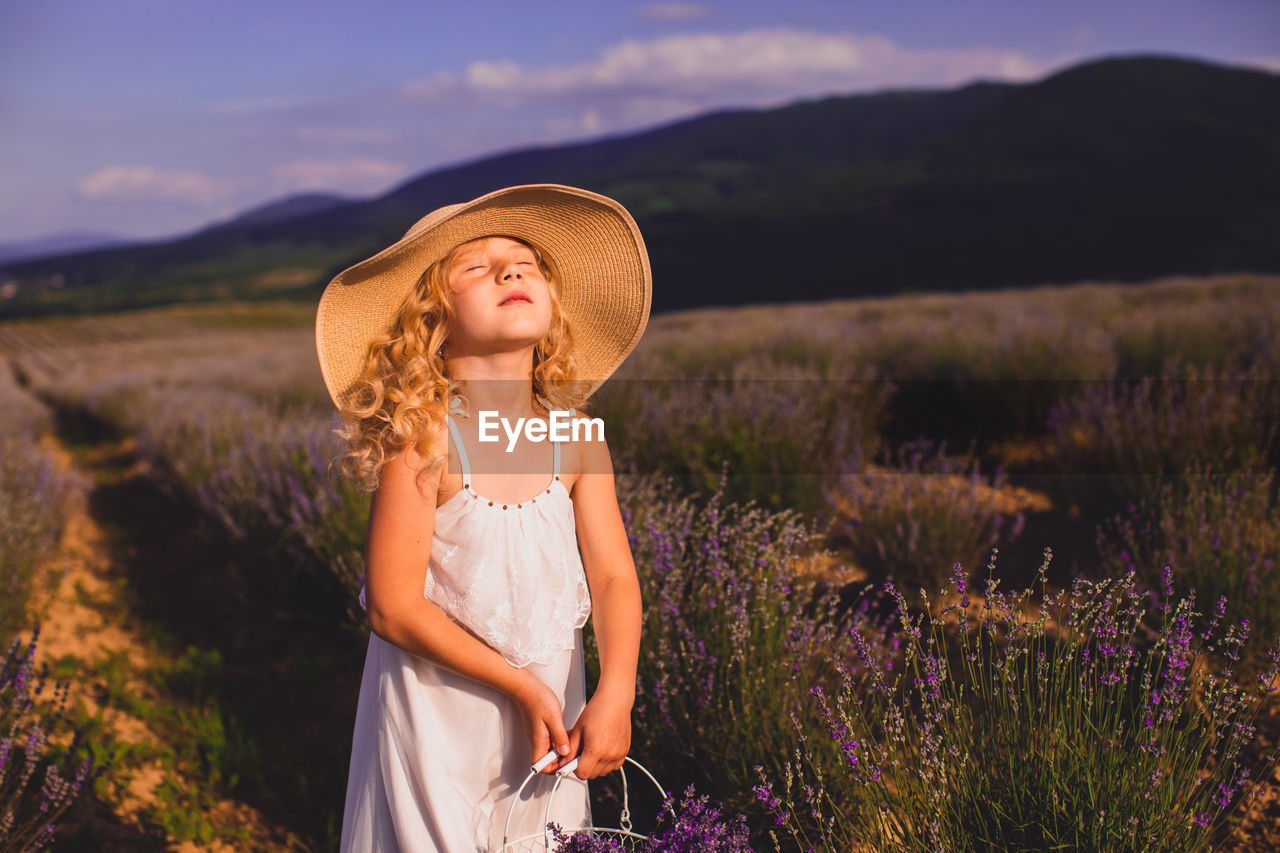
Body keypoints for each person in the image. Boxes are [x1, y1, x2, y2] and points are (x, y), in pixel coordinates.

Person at [314, 184, 651, 852]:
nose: (511, 269)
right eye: (477, 265)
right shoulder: (424, 441)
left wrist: (617, 692)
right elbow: (391, 606)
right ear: (432, 319)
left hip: (550, 727)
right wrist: (521, 686)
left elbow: (614, 577)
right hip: (437, 722)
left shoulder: (578, 437)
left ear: (551, 306)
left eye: (526, 261)